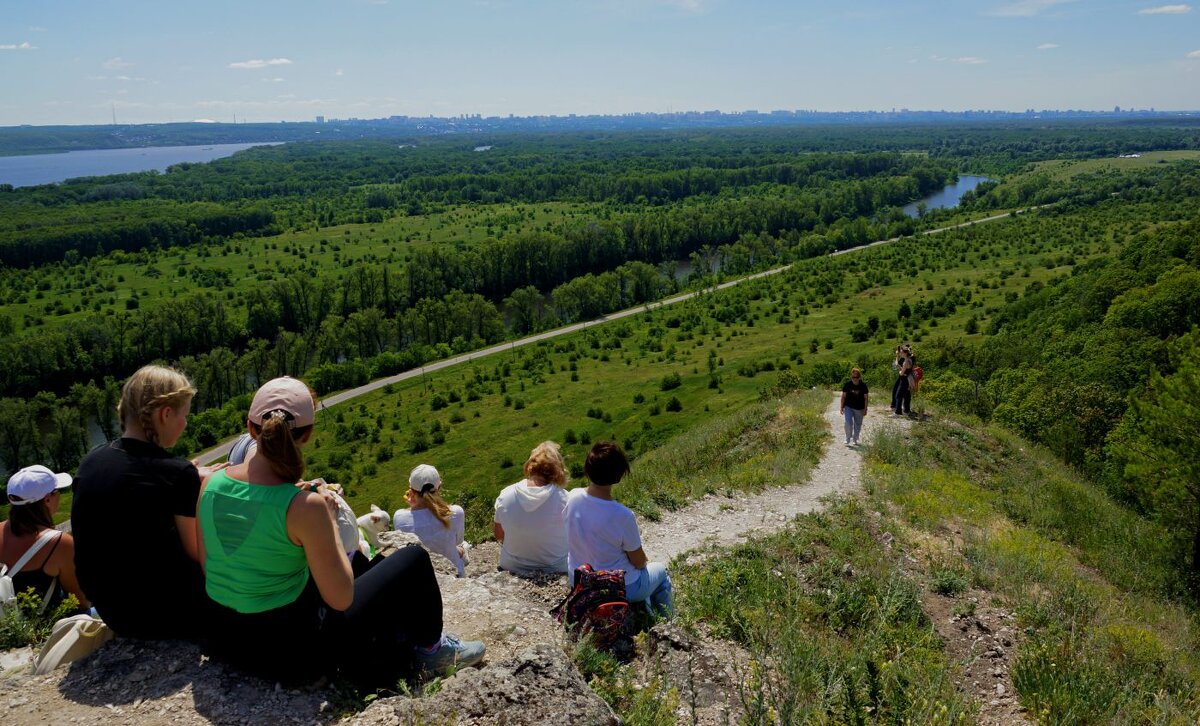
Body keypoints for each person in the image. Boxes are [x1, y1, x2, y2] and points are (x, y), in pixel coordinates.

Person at [197, 377, 483, 686]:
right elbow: (341, 599)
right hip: (292, 658)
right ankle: (433, 651)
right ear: (306, 435)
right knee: (412, 559)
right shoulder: (305, 507)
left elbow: (208, 562)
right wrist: (329, 526)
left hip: (227, 641)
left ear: (250, 428)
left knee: (364, 566)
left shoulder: (209, 486)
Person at [71, 364, 216, 641]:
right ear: (165, 414)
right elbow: (200, 556)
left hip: (115, 614)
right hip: (168, 615)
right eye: (184, 415)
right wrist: (202, 484)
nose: (186, 424)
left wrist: (186, 474)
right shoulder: (176, 474)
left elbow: (137, 487)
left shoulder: (92, 462)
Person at [565, 442, 673, 617]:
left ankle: (643, 611)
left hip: (579, 581)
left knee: (641, 574)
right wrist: (644, 563)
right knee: (660, 572)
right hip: (619, 588)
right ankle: (666, 621)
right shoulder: (622, 515)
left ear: (587, 469)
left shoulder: (572, 497)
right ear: (619, 474)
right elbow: (638, 561)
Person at [1, 465, 88, 614]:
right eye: (57, 491)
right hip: (42, 632)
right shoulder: (59, 543)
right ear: (47, 499)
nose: (60, 494)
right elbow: (80, 602)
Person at [493, 441, 570, 574]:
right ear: (557, 470)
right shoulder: (565, 499)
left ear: (530, 466)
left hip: (512, 565)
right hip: (555, 568)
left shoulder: (506, 494)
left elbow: (499, 535)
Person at [394, 465, 468, 578]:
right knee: (463, 546)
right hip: (454, 574)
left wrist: (413, 508)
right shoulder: (456, 512)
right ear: (440, 487)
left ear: (411, 491)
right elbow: (458, 541)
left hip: (422, 577)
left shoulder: (399, 517)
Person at [840, 368, 869, 446]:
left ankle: (855, 439)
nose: (855, 379)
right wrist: (841, 407)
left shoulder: (863, 385)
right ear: (851, 377)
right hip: (849, 406)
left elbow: (866, 398)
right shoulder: (847, 384)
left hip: (860, 408)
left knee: (858, 424)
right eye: (853, 377)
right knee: (848, 423)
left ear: (859, 377)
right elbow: (843, 396)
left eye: (856, 377)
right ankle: (847, 438)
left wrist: (865, 409)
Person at [894, 346, 914, 416]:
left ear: (905, 353)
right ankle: (907, 410)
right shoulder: (909, 359)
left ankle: (898, 412)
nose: (900, 353)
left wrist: (899, 369)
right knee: (907, 395)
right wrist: (900, 367)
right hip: (908, 379)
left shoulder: (906, 361)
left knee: (898, 395)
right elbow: (906, 370)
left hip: (904, 380)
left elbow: (902, 373)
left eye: (902, 352)